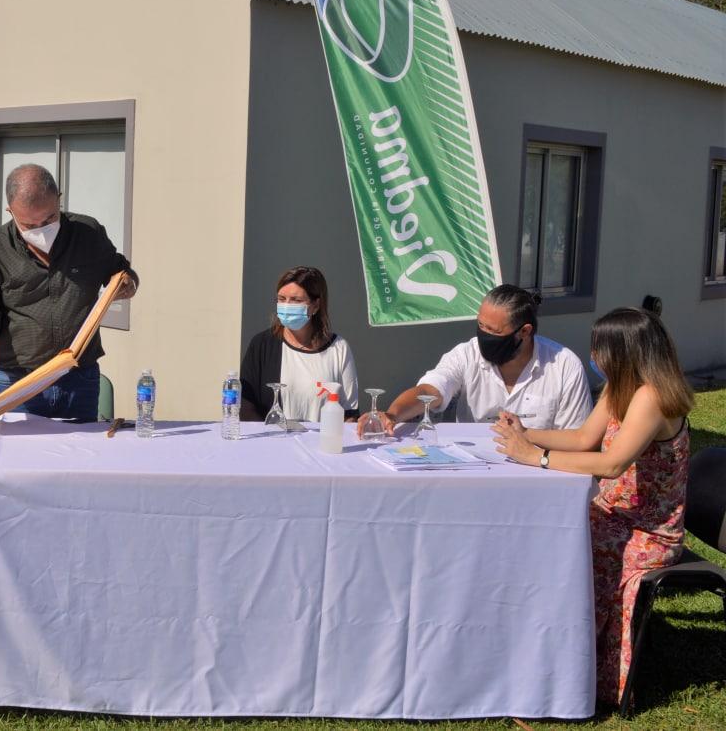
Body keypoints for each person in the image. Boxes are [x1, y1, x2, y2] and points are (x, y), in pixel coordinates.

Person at [491, 307, 694, 706]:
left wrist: (537, 457)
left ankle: (574, 671)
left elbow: (611, 463)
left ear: (623, 352)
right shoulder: (623, 387)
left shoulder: (651, 396)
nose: (594, 358)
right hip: (614, 515)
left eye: (599, 350)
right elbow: (585, 437)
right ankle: (539, 657)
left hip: (647, 531)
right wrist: (523, 433)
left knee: (566, 556)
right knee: (546, 536)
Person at [0, 164, 137, 419]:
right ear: (10, 211)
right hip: (17, 382)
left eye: (48, 220)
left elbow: (121, 271)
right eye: (28, 224)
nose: (40, 230)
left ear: (58, 200)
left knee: (83, 455)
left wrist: (129, 284)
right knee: (16, 458)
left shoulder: (88, 234)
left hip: (80, 378)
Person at [357, 284, 592, 436]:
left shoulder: (564, 367)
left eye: (494, 331)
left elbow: (576, 438)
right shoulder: (466, 354)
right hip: (475, 471)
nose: (484, 336)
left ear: (524, 331)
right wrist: (393, 414)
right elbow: (431, 389)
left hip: (539, 476)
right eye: (481, 326)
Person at [240, 265, 359, 422]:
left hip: (320, 443)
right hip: (273, 442)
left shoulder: (338, 348)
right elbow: (245, 405)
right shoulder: (262, 344)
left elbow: (349, 415)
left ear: (316, 305)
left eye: (296, 300)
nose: (287, 306)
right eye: (282, 299)